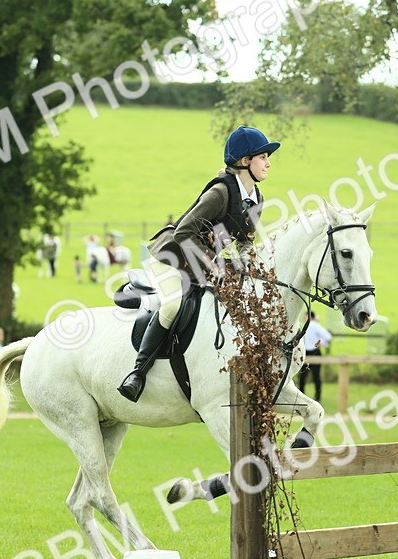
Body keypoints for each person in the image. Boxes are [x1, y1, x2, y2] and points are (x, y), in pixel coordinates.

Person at [118, 125, 279, 402]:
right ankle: (137, 373)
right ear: (245, 162)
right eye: (263, 156)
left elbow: (243, 241)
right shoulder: (220, 193)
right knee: (173, 304)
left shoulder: (256, 198)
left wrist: (247, 264)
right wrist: (213, 264)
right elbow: (183, 233)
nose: (269, 162)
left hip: (203, 263)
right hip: (172, 256)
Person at [297, 312, 332, 402]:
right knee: (315, 377)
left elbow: (328, 336)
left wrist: (321, 342)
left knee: (302, 376)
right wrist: (322, 342)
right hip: (312, 352)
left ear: (309, 317)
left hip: (309, 353)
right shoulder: (311, 325)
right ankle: (317, 397)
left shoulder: (313, 325)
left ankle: (302, 397)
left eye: (305, 316)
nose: (303, 318)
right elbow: (327, 337)